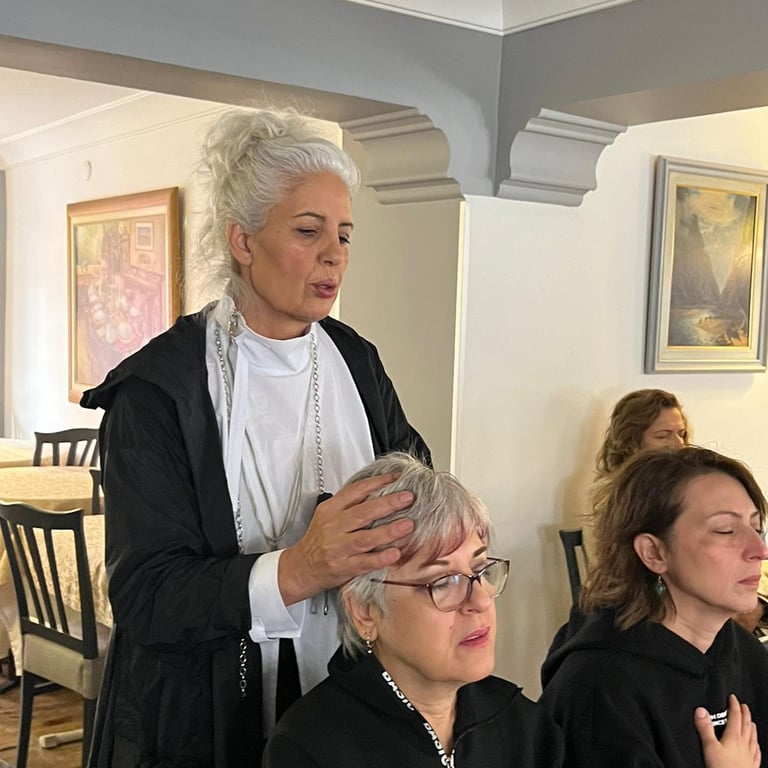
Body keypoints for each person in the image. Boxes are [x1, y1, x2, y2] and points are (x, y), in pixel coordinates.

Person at [80, 109, 430, 767]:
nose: (334, 254)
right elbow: (147, 597)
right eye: (308, 230)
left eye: (344, 235)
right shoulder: (157, 391)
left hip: (347, 700)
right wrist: (300, 568)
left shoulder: (357, 361)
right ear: (242, 240)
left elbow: (413, 484)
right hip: (198, 722)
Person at [263, 452, 565, 767]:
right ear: (365, 610)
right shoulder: (309, 749)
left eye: (479, 569)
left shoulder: (527, 730)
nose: (480, 601)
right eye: (443, 582)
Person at [540, 447, 768, 768]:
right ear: (654, 552)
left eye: (757, 528)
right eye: (725, 530)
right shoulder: (599, 691)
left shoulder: (744, 651)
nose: (760, 549)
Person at [582, 388, 689, 565]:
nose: (679, 444)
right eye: (663, 436)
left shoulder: (676, 484)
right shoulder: (609, 492)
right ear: (632, 441)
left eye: (681, 434)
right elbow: (620, 564)